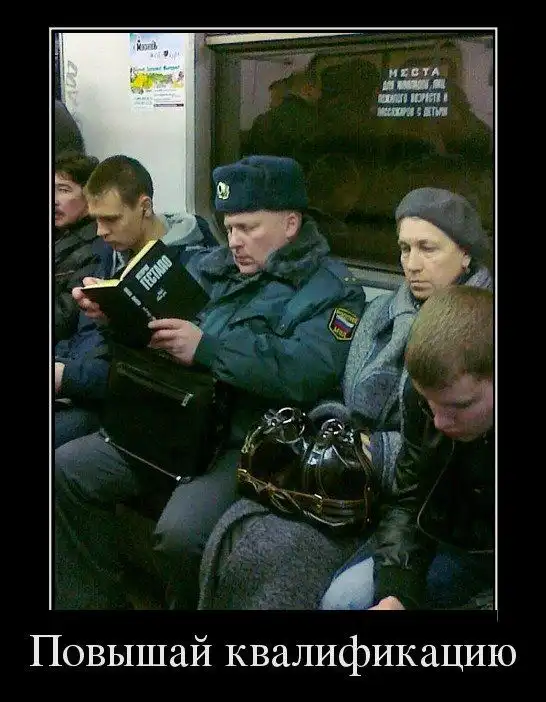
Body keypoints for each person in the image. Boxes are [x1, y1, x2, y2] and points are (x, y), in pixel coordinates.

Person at [54, 154, 367, 609]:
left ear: (291, 223)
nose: (235, 241)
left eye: (248, 228)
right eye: (229, 227)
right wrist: (115, 317)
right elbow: (155, 332)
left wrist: (208, 349)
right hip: (173, 416)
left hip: (241, 438)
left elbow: (304, 371)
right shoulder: (208, 266)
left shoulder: (332, 290)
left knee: (180, 535)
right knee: (67, 469)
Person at [198, 187, 493, 610]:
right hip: (356, 473)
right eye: (404, 249)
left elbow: (421, 474)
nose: (412, 264)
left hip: (417, 501)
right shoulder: (380, 314)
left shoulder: (479, 333)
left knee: (339, 596)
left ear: (465, 254)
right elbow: (345, 393)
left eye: (428, 248)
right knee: (252, 542)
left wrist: (380, 453)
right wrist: (336, 433)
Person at [320, 285, 494, 610]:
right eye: (430, 404)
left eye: (459, 406)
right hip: (441, 535)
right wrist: (395, 592)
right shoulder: (425, 401)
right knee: (342, 601)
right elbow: (409, 499)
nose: (439, 422)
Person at [54, 154, 215, 449]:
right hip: (85, 376)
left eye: (111, 219)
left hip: (124, 397)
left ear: (145, 207)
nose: (101, 231)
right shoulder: (110, 254)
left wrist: (68, 375)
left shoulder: (194, 267)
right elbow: (82, 336)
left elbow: (157, 368)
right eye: (96, 219)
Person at [54, 151, 100, 343]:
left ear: (89, 197)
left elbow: (63, 318)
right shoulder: (60, 231)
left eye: (63, 190)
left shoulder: (96, 245)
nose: (54, 199)